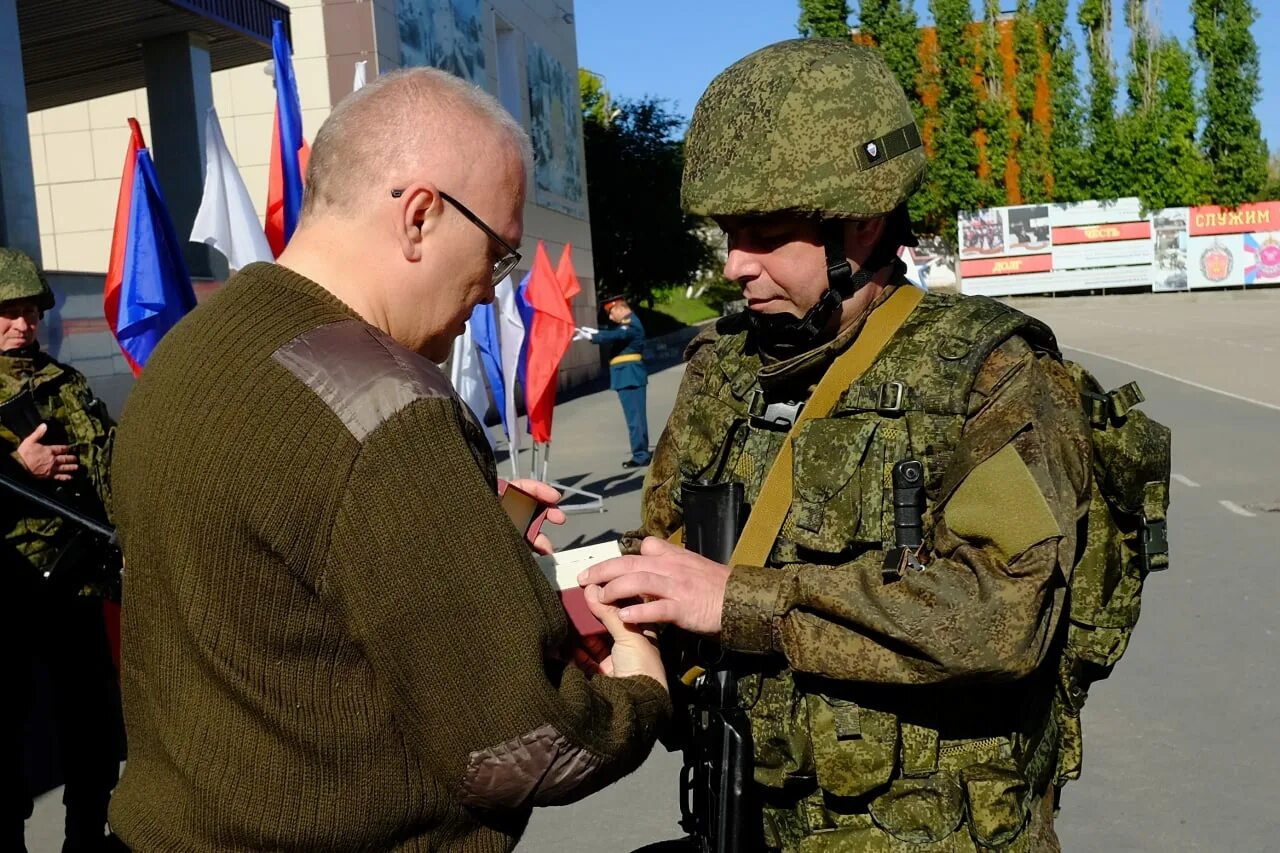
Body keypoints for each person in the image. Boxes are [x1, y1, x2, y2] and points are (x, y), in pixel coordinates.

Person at [107, 68, 670, 851]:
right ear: (419, 215)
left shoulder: (191, 350)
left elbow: (276, 586)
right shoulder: (390, 408)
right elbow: (523, 747)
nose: (486, 292)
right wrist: (640, 691)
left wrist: (466, 528)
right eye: (499, 253)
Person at [579, 40, 1094, 851]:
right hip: (745, 817)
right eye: (727, 232)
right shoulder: (723, 371)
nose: (736, 265)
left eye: (764, 232)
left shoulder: (991, 375)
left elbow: (1004, 612)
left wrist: (740, 603)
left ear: (861, 222)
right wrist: (591, 593)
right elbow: (673, 554)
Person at [0, 248, 121, 852]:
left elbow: (108, 464)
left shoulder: (65, 384)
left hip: (78, 582)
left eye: (29, 311)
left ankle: (85, 838)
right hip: (11, 590)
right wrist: (20, 469)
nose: (22, 324)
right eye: (6, 312)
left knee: (93, 724)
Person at [579, 295, 651, 468]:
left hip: (630, 376)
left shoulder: (631, 325)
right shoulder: (627, 325)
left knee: (635, 419)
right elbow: (616, 333)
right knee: (635, 418)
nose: (610, 317)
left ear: (620, 308)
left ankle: (640, 455)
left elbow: (617, 335)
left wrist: (594, 336)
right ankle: (641, 452)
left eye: (611, 313)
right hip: (627, 376)